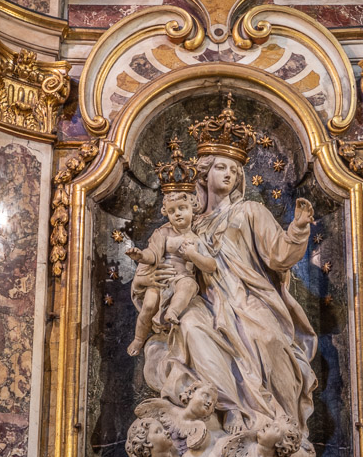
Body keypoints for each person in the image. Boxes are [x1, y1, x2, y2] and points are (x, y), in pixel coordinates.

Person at [142, 153, 318, 439]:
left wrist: (298, 228)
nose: (228, 174)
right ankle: (229, 406)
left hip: (247, 295)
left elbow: (279, 255)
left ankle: (286, 426)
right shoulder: (189, 222)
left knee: (268, 338)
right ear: (204, 174)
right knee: (191, 328)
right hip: (204, 300)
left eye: (234, 171)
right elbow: (162, 262)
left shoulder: (250, 211)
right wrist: (152, 280)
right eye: (221, 167)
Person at [126, 190, 216, 356]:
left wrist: (193, 255)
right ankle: (139, 338)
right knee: (149, 305)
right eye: (172, 211)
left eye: (182, 208)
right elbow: (152, 254)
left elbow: (211, 266)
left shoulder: (197, 239)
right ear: (166, 214)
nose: (177, 214)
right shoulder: (162, 233)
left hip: (183, 277)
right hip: (161, 280)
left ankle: (173, 311)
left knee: (188, 286)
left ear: (193, 209)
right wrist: (141, 256)